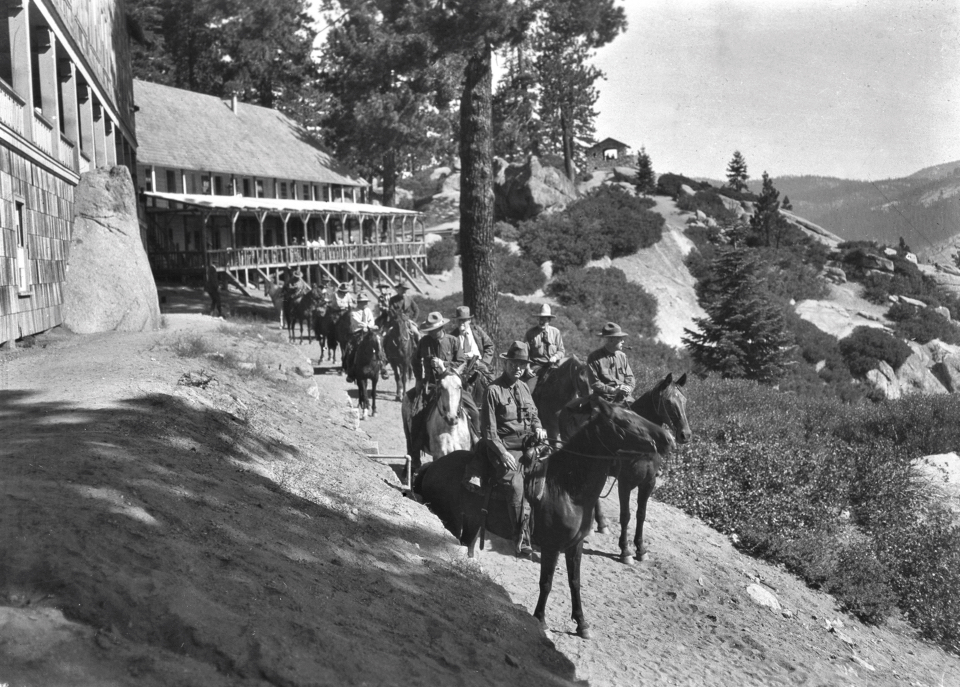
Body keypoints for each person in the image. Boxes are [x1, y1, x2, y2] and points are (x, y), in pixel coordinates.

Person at [477, 341, 547, 557]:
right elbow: (489, 432)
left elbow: (534, 414)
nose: (518, 367)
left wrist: (538, 427)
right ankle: (521, 539)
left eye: (522, 364)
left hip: (529, 444)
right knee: (516, 486)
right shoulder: (493, 390)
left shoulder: (524, 387)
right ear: (505, 362)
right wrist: (503, 453)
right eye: (514, 363)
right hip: (504, 447)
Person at [407, 311, 480, 453]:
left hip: (452, 385)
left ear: (441, 328)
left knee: (474, 411)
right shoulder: (424, 341)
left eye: (434, 330)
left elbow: (461, 362)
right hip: (431, 385)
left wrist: (444, 364)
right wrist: (418, 379)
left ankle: (476, 441)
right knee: (417, 415)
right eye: (430, 330)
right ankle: (415, 455)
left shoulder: (453, 341)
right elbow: (415, 360)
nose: (432, 333)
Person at [586, 322, 635, 404]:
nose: (623, 341)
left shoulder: (622, 356)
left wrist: (628, 388)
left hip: (624, 398)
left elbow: (630, 377)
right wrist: (613, 390)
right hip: (603, 400)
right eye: (620, 339)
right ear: (611, 340)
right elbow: (594, 383)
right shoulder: (594, 357)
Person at [449, 305, 494, 392]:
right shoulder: (453, 336)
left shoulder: (477, 331)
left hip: (478, 362)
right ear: (456, 321)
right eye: (459, 320)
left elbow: (490, 346)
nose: (462, 322)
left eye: (464, 320)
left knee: (491, 382)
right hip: (461, 364)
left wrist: (484, 361)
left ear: (469, 320)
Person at [523, 304, 565, 394]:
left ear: (549, 320)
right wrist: (527, 368)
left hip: (553, 367)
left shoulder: (556, 332)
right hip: (536, 368)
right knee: (527, 391)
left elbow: (561, 351)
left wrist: (555, 357)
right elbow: (524, 353)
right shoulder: (530, 333)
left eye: (545, 319)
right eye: (540, 319)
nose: (541, 322)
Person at [344, 293, 376, 382]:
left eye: (366, 302)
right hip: (357, 333)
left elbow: (372, 321)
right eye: (363, 302)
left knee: (378, 344)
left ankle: (382, 366)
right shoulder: (353, 312)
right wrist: (367, 326)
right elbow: (358, 323)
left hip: (368, 332)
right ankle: (350, 371)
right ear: (359, 302)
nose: (365, 304)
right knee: (351, 349)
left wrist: (369, 326)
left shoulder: (368, 310)